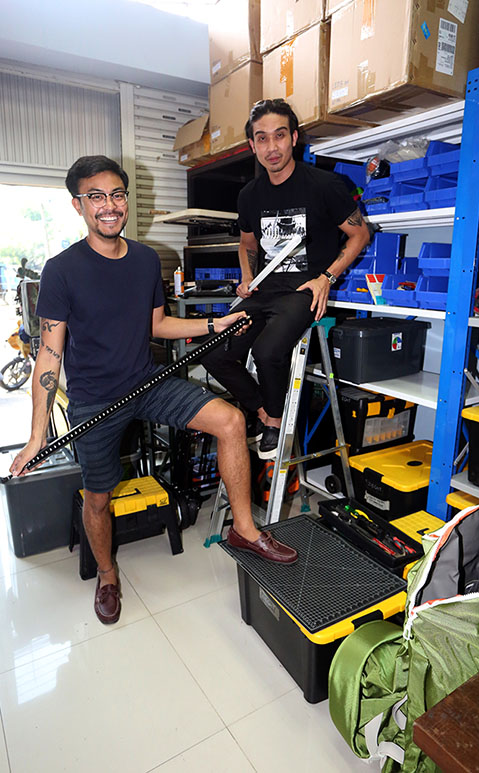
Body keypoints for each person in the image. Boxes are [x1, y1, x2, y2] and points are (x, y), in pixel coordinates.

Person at [10, 155, 297, 626]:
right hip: (96, 400)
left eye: (117, 195)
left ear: (127, 201)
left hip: (147, 383)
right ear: (78, 205)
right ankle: (107, 574)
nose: (109, 205)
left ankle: (245, 530)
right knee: (98, 498)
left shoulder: (146, 259)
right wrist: (37, 435)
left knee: (230, 420)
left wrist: (212, 322)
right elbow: (49, 354)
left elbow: (158, 324)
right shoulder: (61, 270)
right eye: (96, 197)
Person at [202, 99, 371, 459]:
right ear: (252, 146)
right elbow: (247, 242)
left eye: (279, 136)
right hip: (263, 292)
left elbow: (360, 235)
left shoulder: (326, 185)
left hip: (304, 291)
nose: (271, 147)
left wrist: (327, 277)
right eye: (261, 139)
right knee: (213, 354)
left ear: (293, 138)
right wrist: (246, 277)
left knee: (267, 352)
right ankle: (264, 410)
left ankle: (274, 422)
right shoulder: (249, 195)